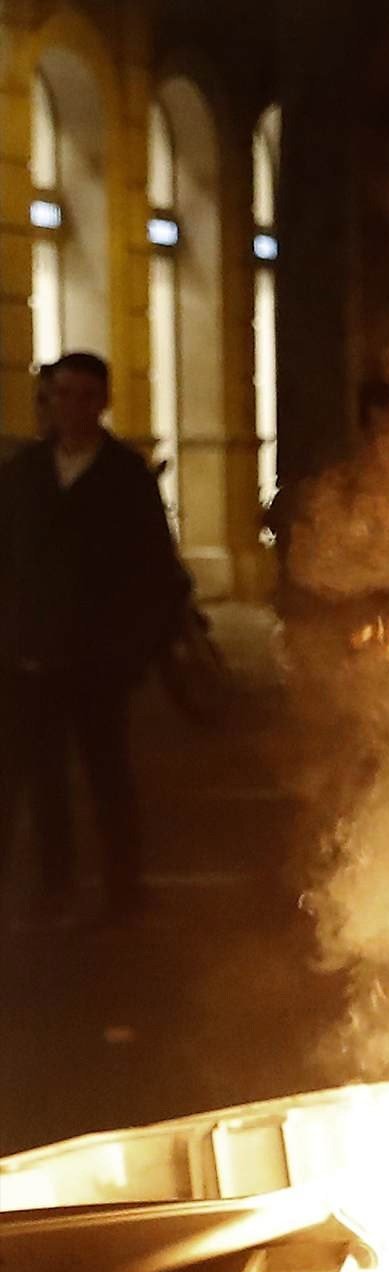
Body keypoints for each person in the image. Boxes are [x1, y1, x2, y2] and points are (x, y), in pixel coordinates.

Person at [0, 351, 192, 929]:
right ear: (49, 401)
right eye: (62, 395)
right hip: (28, 656)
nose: (73, 407)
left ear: (104, 402)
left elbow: (158, 572)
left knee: (108, 774)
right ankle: (53, 889)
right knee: (37, 778)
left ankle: (124, 889)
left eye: (86, 396)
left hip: (98, 660)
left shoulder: (125, 478)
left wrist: (133, 651)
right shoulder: (23, 474)